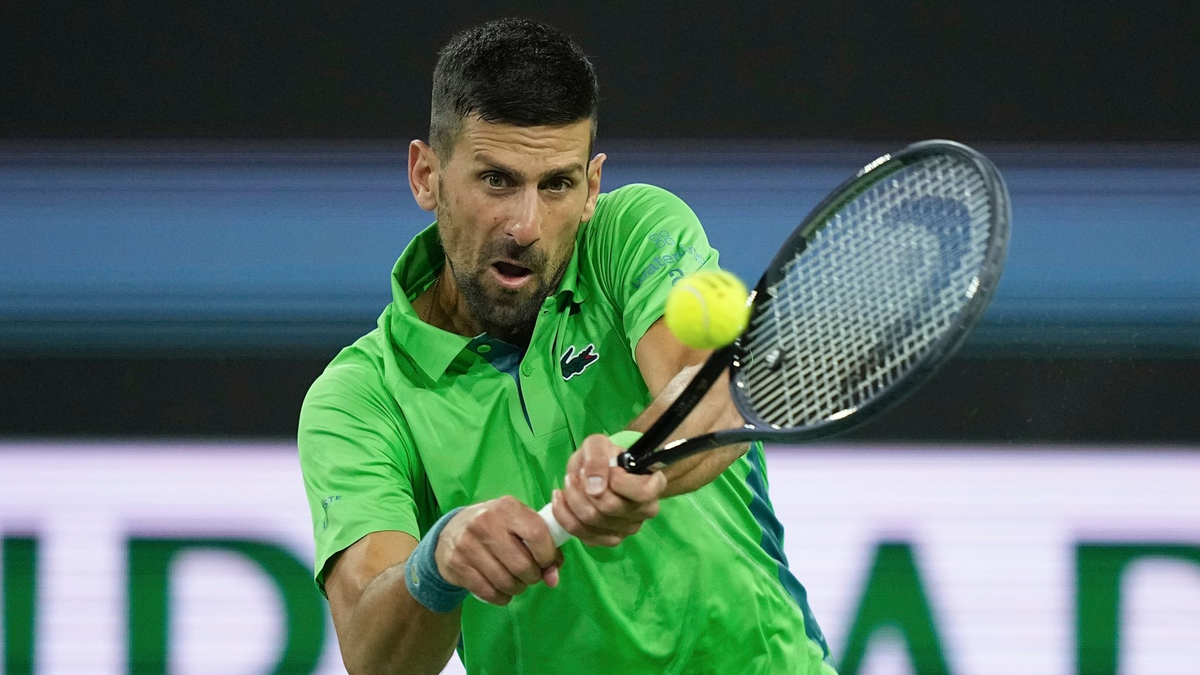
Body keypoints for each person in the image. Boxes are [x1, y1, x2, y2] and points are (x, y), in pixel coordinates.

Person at [298, 17, 836, 675]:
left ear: (591, 187)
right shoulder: (360, 398)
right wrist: (437, 563)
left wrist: (636, 458)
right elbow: (373, 653)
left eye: (556, 184)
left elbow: (713, 389)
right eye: (496, 180)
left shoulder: (630, 234)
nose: (525, 226)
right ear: (426, 175)